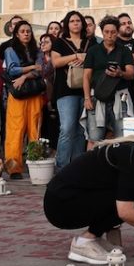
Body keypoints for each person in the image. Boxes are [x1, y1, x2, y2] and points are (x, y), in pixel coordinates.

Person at [43, 127, 134, 265]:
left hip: (62, 199)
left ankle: (97, 236)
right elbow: (126, 211)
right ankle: (83, 242)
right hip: (61, 206)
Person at [82, 15, 134, 145]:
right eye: (106, 32)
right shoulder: (93, 51)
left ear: (117, 32)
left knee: (123, 138)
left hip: (120, 97)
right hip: (97, 97)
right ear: (102, 32)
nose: (110, 35)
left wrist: (120, 73)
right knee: (94, 138)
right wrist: (87, 98)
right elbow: (86, 76)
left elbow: (131, 74)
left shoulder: (124, 51)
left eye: (113, 32)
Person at [4, 20, 44, 179]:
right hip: (18, 94)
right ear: (16, 34)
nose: (26, 34)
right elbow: (12, 70)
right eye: (22, 31)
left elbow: (40, 70)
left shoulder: (38, 51)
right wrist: (31, 67)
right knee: (15, 130)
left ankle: (36, 163)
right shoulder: (10, 50)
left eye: (28, 31)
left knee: (35, 129)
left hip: (34, 92)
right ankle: (14, 168)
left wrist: (25, 76)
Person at [51, 11, 89, 169]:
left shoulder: (90, 41)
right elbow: (55, 62)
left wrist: (86, 58)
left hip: (86, 91)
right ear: (67, 24)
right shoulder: (59, 42)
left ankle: (77, 168)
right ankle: (62, 167)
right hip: (65, 91)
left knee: (81, 130)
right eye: (72, 21)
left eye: (78, 20)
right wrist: (76, 56)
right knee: (67, 128)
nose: (75, 23)